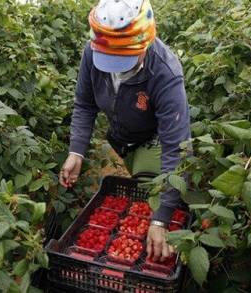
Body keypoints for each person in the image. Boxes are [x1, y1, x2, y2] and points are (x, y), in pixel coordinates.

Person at [59, 0, 191, 262]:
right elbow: (85, 103)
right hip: (120, 138)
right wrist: (76, 150)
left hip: (153, 141)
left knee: (152, 195)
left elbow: (176, 147)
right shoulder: (91, 54)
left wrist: (161, 220)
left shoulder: (165, 73)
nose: (117, 67)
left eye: (125, 58)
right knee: (130, 190)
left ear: (145, 43)